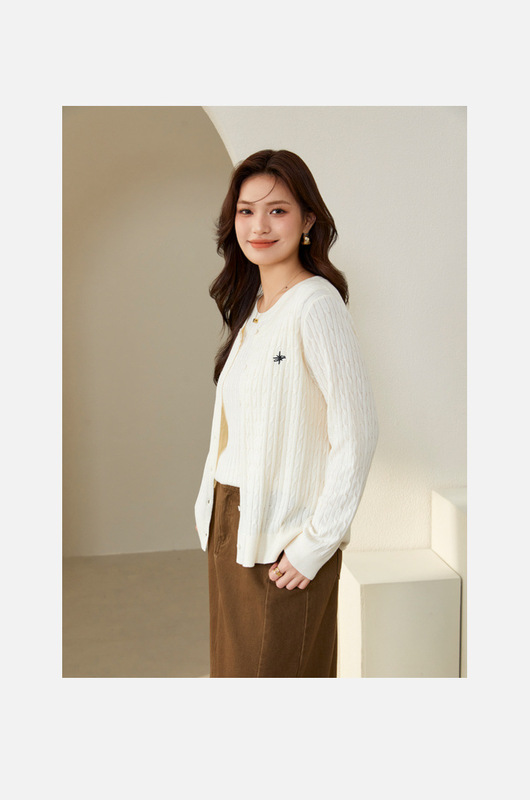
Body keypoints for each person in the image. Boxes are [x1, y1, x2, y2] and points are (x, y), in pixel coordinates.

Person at [194, 149, 378, 677]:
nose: (259, 226)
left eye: (277, 210)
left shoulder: (315, 305)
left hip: (283, 535)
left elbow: (358, 431)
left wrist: (316, 543)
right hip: (233, 522)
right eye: (246, 211)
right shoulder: (254, 307)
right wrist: (211, 511)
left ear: (307, 221)